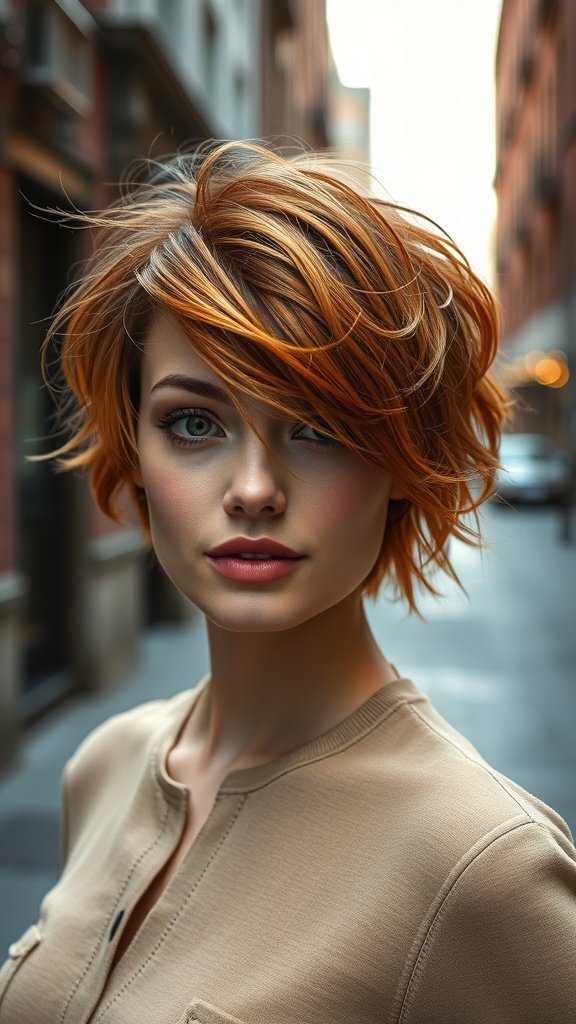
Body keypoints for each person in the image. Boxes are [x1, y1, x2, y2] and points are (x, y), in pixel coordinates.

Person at [1, 140, 575, 1024]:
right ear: (137, 453)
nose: (255, 490)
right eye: (193, 422)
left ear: (401, 461)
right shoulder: (105, 768)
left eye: (319, 428)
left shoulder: (481, 867)